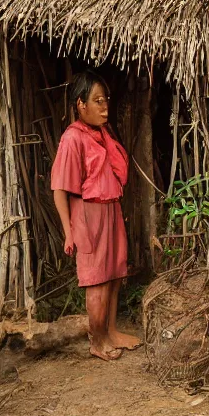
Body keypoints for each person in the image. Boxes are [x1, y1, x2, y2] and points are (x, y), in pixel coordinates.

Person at [50, 70, 143, 362]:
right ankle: (97, 340)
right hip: (87, 213)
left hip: (110, 207)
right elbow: (60, 190)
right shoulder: (72, 139)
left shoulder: (102, 134)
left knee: (114, 274)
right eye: (97, 101)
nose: (105, 107)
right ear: (81, 104)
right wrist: (68, 230)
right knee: (97, 279)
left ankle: (111, 330)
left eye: (106, 100)